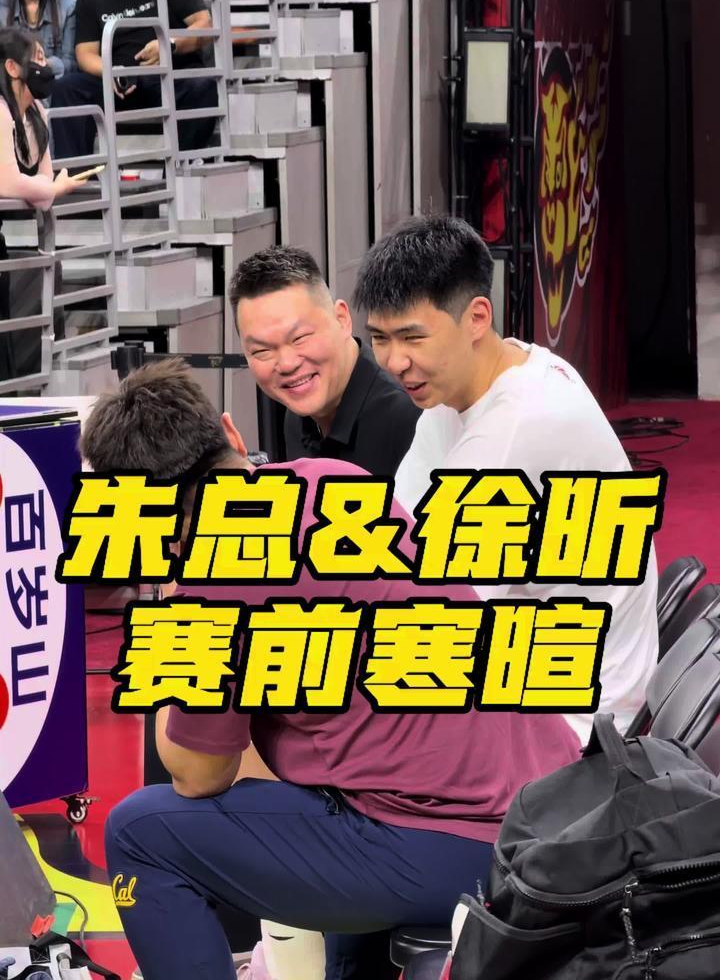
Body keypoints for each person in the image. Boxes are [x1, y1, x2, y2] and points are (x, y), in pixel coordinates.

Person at [82, 358, 581, 980]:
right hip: (549, 806)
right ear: (232, 434)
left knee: (140, 832)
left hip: (462, 843)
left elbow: (196, 775)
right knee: (322, 787)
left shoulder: (217, 573)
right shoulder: (330, 480)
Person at [352, 214, 659, 744]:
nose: (395, 362)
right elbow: (393, 534)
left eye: (412, 337)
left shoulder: (514, 428)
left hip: (575, 724)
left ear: (476, 317)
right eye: (379, 338)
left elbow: (430, 614)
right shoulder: (474, 383)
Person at [229, 245, 420, 477]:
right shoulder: (297, 417)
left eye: (300, 338)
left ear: (342, 319)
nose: (287, 364)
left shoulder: (412, 420)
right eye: (262, 350)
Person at [50, 0, 216, 161]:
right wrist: (111, 70)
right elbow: (85, 53)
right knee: (67, 89)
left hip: (166, 77)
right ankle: (75, 176)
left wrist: (169, 45)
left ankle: (181, 170)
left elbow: (204, 24)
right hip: (117, 82)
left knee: (202, 86)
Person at [0, 27, 86, 380]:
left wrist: (48, 187)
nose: (45, 65)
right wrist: (51, 188)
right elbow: (8, 183)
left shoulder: (36, 112)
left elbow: (43, 175)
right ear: (11, 67)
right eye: (36, 59)